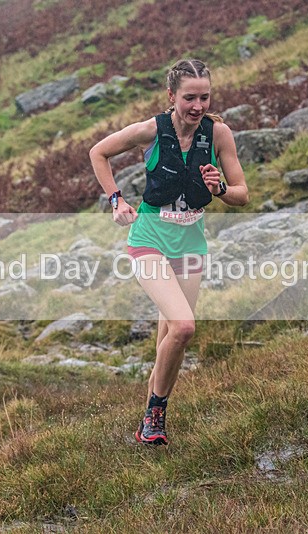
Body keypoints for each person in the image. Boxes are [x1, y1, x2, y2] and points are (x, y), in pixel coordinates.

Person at [89, 58, 248, 446]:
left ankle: (149, 422)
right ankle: (155, 413)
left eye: (204, 97)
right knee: (184, 327)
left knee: (169, 339)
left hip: (191, 243)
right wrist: (116, 200)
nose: (198, 106)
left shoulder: (219, 134)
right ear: (171, 96)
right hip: (149, 238)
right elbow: (99, 152)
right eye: (189, 97)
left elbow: (243, 194)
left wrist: (220, 189)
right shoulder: (150, 131)